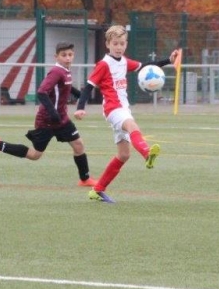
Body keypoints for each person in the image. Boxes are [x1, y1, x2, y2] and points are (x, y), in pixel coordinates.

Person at [74, 25, 181, 203]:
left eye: (122, 43)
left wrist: (168, 61)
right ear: (108, 44)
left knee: (124, 154)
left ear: (126, 44)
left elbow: (146, 66)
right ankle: (147, 153)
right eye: (115, 43)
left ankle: (97, 190)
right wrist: (80, 106)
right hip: (112, 108)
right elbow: (88, 87)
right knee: (132, 125)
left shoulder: (124, 61)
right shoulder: (103, 64)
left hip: (123, 108)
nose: (119, 47)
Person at [0, 42, 96, 187]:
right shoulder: (56, 71)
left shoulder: (65, 71)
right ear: (56, 57)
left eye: (70, 55)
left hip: (62, 119)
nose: (68, 58)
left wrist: (79, 94)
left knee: (78, 145)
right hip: (47, 120)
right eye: (64, 55)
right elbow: (42, 92)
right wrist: (53, 113)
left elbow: (65, 86)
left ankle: (85, 179)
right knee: (35, 155)